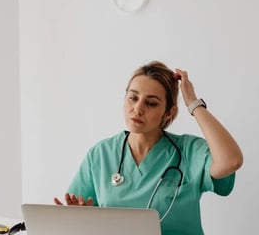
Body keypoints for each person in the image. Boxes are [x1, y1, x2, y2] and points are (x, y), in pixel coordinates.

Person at [54, 61, 243, 235]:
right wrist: (82, 219)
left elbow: (231, 161)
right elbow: (75, 222)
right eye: (132, 98)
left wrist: (193, 103)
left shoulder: (189, 151)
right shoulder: (101, 154)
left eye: (151, 103)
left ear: (169, 112)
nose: (138, 108)